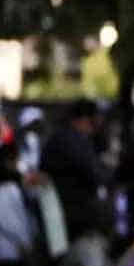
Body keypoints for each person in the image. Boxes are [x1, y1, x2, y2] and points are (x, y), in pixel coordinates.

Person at [40, 99, 113, 240]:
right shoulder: (73, 141)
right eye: (94, 123)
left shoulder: (62, 137)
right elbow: (95, 173)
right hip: (70, 215)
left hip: (62, 213)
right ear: (85, 120)